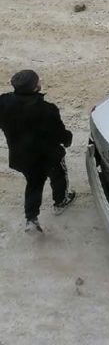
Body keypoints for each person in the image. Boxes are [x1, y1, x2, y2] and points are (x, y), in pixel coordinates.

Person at [0, 70, 76, 233]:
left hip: (22, 156)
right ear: (35, 88)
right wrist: (68, 139)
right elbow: (59, 133)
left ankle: (31, 218)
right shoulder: (47, 110)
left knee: (34, 183)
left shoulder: (3, 103)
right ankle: (61, 202)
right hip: (48, 156)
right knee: (59, 176)